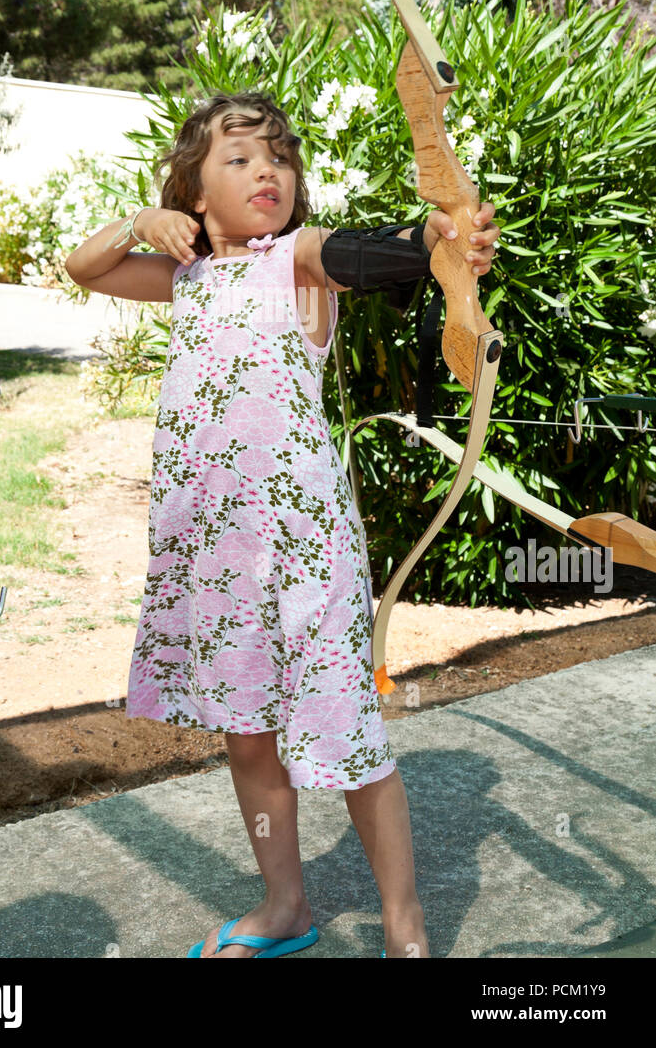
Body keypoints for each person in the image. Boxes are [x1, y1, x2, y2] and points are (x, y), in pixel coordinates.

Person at [64, 91, 500, 959]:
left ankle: (406, 932)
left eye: (278, 159)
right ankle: (284, 903)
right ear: (191, 194)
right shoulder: (184, 277)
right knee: (248, 735)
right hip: (213, 554)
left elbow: (367, 253)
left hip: (300, 551)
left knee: (344, 734)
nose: (267, 170)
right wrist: (136, 221)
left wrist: (438, 242)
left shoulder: (291, 263)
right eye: (239, 159)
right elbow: (87, 268)